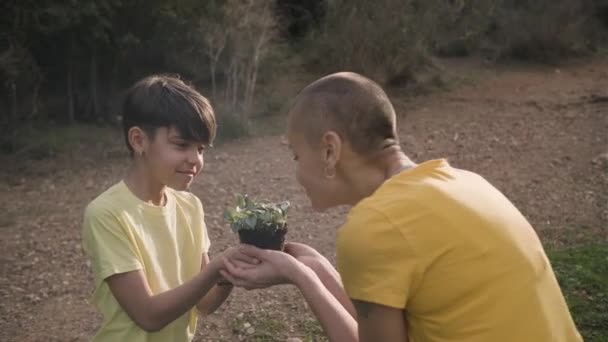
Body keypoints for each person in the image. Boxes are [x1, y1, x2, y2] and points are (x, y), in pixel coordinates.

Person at [221, 72, 582, 342]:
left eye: (297, 155)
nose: (297, 171)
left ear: (330, 150)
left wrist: (301, 278)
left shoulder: (375, 225)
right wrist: (316, 268)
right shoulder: (468, 183)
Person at [82, 75, 253, 342]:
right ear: (139, 140)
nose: (195, 159)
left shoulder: (190, 206)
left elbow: (205, 303)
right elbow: (148, 316)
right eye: (181, 145)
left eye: (201, 148)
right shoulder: (107, 213)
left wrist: (233, 270)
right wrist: (218, 267)